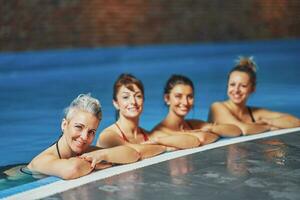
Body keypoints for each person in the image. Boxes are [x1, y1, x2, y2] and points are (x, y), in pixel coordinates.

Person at [27, 94, 140, 180]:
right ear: (64, 125)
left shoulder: (88, 153)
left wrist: (103, 155)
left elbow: (133, 154)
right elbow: (72, 170)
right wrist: (100, 162)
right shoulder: (42, 160)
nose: (84, 137)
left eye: (91, 131)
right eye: (79, 127)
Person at [92, 73, 200, 157]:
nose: (133, 102)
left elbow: (193, 141)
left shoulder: (148, 135)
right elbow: (134, 152)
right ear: (116, 103)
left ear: (143, 100)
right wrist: (164, 147)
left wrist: (159, 143)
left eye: (138, 96)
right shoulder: (108, 136)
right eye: (126, 97)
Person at [208, 56, 300, 135]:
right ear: (227, 85)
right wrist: (269, 127)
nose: (236, 90)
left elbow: (296, 122)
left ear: (253, 88)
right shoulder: (217, 107)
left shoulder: (256, 113)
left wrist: (269, 121)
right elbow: (242, 129)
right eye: (232, 84)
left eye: (243, 86)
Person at [151, 74, 241, 145]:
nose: (185, 102)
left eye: (189, 96)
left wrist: (210, 129)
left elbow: (236, 130)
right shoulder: (159, 132)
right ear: (167, 98)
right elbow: (201, 139)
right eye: (178, 96)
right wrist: (213, 132)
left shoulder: (193, 124)